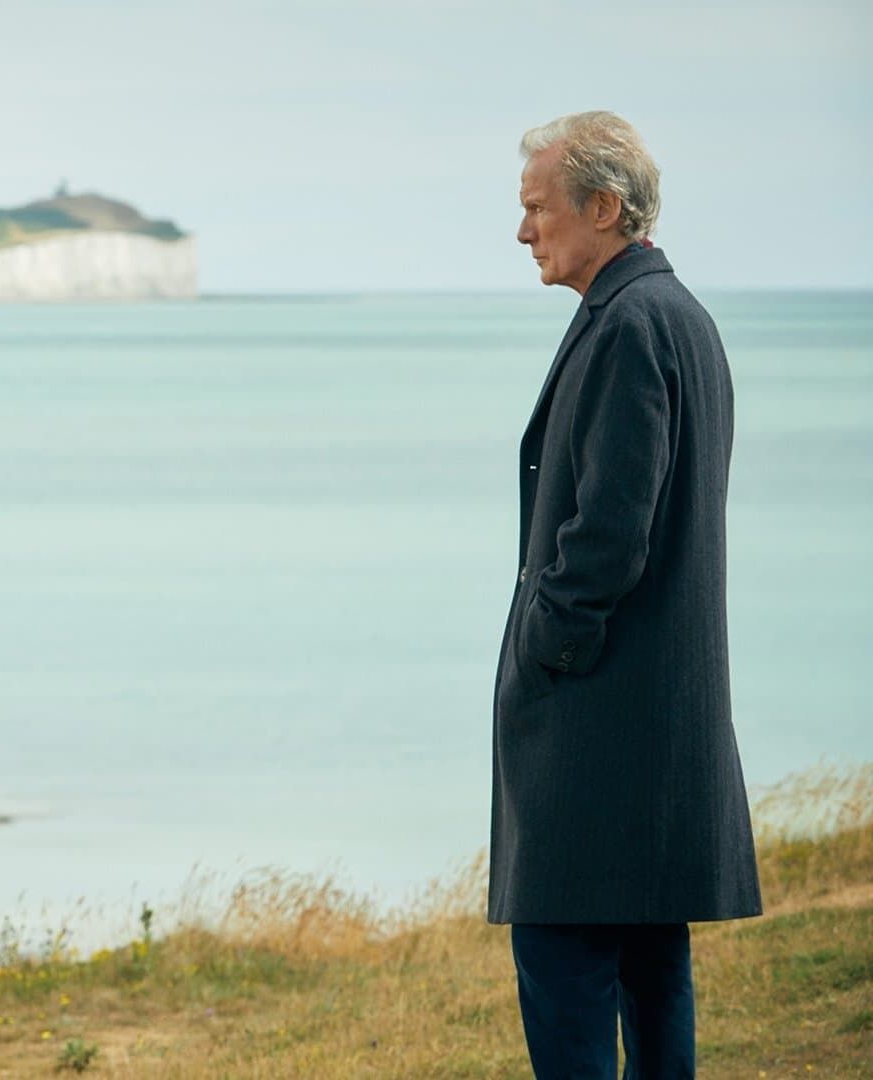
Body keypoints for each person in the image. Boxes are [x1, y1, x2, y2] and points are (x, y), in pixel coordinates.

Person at [490, 111, 762, 1077]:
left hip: (599, 732)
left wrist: (546, 647)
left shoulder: (631, 324)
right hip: (652, 729)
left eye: (539, 208)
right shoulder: (675, 315)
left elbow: (609, 533)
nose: (523, 231)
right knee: (652, 974)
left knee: (563, 964)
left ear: (603, 208)